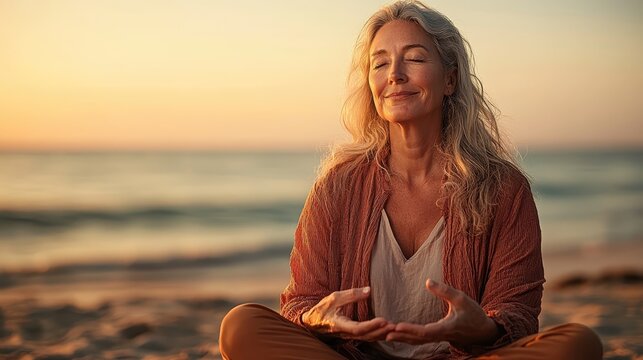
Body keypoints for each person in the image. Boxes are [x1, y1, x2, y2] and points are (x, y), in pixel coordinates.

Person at [218, 1, 603, 359]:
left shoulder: (503, 189)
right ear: (370, 83)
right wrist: (317, 319)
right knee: (241, 325)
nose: (396, 76)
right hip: (355, 357)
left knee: (579, 343)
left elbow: (518, 314)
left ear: (450, 79)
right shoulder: (337, 186)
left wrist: (482, 328)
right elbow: (301, 303)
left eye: (415, 58)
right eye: (380, 64)